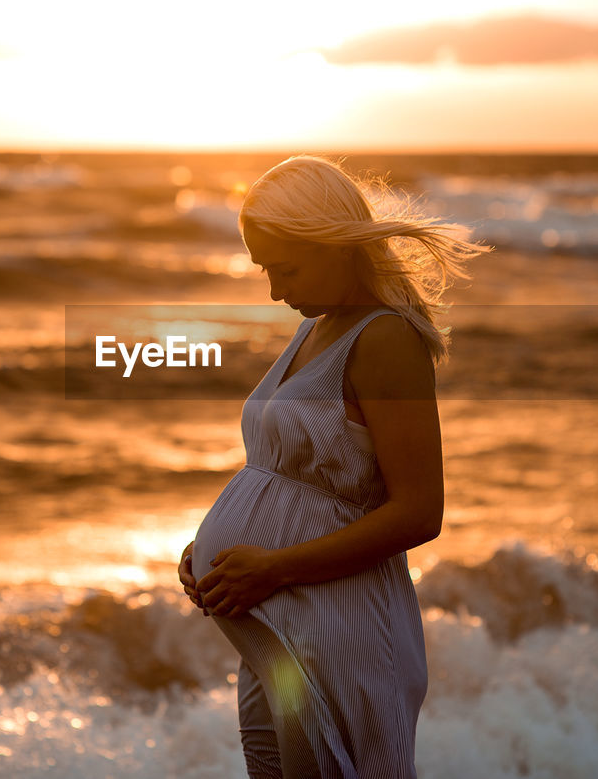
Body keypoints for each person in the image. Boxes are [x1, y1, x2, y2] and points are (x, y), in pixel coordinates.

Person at [177, 155, 486, 778]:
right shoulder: (315, 329)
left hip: (346, 633)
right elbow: (284, 476)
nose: (272, 288)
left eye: (284, 268)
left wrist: (272, 566)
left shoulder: (386, 339)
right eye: (265, 269)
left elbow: (420, 512)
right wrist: (210, 550)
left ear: (332, 242)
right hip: (290, 628)